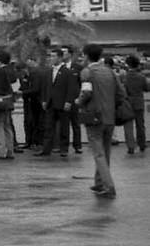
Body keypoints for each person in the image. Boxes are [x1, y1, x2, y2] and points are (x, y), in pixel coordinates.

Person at [76, 43, 117, 198]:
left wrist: (78, 102)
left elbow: (86, 93)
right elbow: (120, 93)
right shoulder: (110, 72)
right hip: (109, 118)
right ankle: (99, 183)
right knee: (105, 153)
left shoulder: (87, 72)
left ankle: (108, 186)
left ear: (86, 56)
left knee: (98, 154)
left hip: (94, 117)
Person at [36, 48, 80, 158]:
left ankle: (64, 148)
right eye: (50, 56)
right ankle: (46, 149)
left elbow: (71, 88)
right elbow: (45, 87)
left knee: (64, 127)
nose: (51, 58)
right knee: (48, 126)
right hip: (50, 103)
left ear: (60, 57)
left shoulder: (67, 72)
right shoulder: (48, 72)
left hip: (62, 102)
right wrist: (44, 100)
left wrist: (69, 101)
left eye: (54, 56)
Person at [19, 55, 46, 151]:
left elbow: (36, 88)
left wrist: (23, 92)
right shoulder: (27, 73)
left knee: (37, 122)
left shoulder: (38, 73)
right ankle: (29, 141)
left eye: (30, 61)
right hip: (28, 100)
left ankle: (37, 142)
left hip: (36, 101)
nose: (28, 63)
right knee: (28, 121)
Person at [122, 54, 147, 155]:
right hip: (139, 103)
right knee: (140, 125)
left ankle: (131, 147)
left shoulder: (124, 77)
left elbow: (123, 90)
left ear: (128, 65)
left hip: (128, 103)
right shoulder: (141, 77)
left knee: (128, 126)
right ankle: (142, 144)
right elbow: (146, 88)